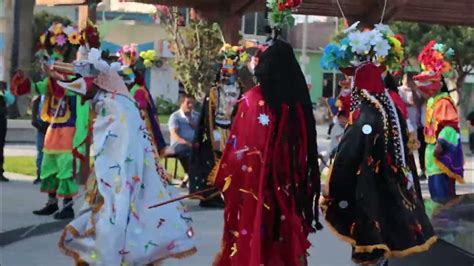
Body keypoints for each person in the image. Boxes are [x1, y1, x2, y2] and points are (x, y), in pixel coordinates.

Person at [57, 48, 196, 265]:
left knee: (117, 228)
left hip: (122, 179)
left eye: (83, 85)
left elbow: (120, 151)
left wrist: (114, 181)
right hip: (112, 177)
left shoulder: (115, 105)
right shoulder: (112, 100)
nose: (80, 94)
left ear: (96, 82)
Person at [211, 38, 322, 265]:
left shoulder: (253, 101)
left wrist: (224, 177)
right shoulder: (297, 103)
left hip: (253, 191)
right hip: (286, 190)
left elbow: (240, 151)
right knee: (281, 245)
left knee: (253, 240)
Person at [11, 22, 90, 220]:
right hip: (52, 131)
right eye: (54, 51)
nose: (57, 55)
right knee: (49, 168)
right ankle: (52, 203)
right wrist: (22, 80)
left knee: (65, 170)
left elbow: (67, 87)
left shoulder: (76, 79)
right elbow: (32, 89)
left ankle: (68, 206)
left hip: (69, 130)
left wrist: (55, 75)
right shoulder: (49, 81)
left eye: (61, 50)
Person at [188, 43, 246, 208]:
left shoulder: (239, 89)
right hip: (216, 129)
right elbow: (209, 116)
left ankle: (230, 192)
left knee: (233, 162)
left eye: (232, 67)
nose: (229, 71)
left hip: (231, 128)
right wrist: (213, 134)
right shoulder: (214, 91)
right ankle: (210, 195)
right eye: (226, 67)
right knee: (214, 161)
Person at [414, 40, 464, 201]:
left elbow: (450, 127)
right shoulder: (431, 101)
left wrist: (440, 144)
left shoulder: (443, 102)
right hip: (431, 157)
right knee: (436, 194)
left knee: (444, 197)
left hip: (440, 156)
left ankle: (447, 224)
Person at [168, 94, 199, 175]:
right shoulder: (175, 116)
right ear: (181, 103)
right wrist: (187, 143)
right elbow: (174, 134)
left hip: (194, 143)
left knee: (208, 152)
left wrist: (195, 125)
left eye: (192, 103)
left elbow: (202, 130)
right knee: (186, 151)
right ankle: (190, 175)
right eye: (188, 103)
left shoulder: (197, 116)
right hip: (179, 144)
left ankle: (197, 177)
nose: (190, 105)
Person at [31, 95, 49, 185]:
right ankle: (40, 175)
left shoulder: (54, 97)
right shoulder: (37, 99)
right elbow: (33, 120)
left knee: (52, 153)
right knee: (41, 153)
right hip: (41, 128)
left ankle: (49, 176)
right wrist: (41, 127)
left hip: (53, 128)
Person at [0, 81, 9, 182]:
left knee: (0, 147)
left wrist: (3, 91)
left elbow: (10, 100)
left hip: (1, 121)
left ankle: (0, 172)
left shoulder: (3, 94)